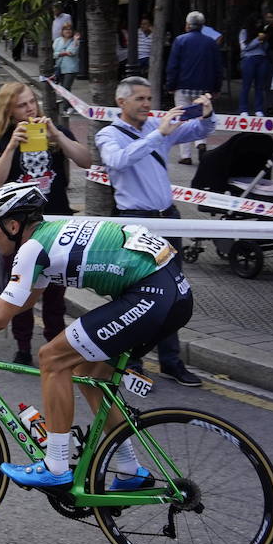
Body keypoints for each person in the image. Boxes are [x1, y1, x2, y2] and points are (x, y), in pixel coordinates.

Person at [0, 182, 192, 489]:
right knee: (88, 370)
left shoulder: (31, 249)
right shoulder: (47, 237)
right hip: (173, 292)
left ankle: (56, 466)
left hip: (150, 293)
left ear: (13, 225)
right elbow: (19, 302)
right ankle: (129, 469)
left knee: (52, 358)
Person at [94, 76, 213, 386]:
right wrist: (158, 134)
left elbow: (200, 130)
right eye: (141, 99)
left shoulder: (155, 126)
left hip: (168, 219)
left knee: (174, 293)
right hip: (135, 223)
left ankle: (171, 362)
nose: (148, 104)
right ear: (122, 102)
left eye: (150, 98)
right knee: (138, 296)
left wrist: (206, 113)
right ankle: (131, 361)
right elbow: (117, 161)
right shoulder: (109, 134)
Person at [0, 82, 92, 364]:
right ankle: (23, 348)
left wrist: (57, 134)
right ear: (9, 110)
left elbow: (86, 160)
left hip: (57, 226)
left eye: (31, 102)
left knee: (55, 295)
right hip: (20, 231)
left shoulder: (52, 132)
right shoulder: (4, 138)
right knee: (20, 292)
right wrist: (10, 146)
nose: (30, 108)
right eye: (22, 105)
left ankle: (55, 347)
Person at [166, 11, 223, 164]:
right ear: (202, 26)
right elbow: (218, 67)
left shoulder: (180, 41)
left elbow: (173, 66)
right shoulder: (211, 42)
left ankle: (185, 155)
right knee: (202, 115)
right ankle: (201, 143)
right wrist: (216, 88)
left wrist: (171, 85)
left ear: (187, 25)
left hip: (183, 86)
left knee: (182, 119)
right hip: (204, 88)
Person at [237, 17, 268, 118]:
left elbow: (265, 48)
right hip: (249, 59)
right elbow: (245, 48)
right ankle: (243, 109)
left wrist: (264, 41)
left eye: (260, 22)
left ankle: (258, 109)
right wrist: (257, 40)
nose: (258, 25)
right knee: (246, 85)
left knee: (260, 86)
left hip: (262, 59)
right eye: (257, 22)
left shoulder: (262, 32)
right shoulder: (244, 32)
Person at [52, 22, 80, 92]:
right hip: (59, 67)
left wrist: (76, 40)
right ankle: (67, 103)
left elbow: (72, 52)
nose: (68, 31)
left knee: (66, 88)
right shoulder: (57, 40)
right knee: (62, 89)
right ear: (62, 31)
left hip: (70, 68)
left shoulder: (75, 41)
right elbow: (54, 54)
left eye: (70, 29)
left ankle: (66, 103)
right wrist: (65, 53)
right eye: (65, 29)